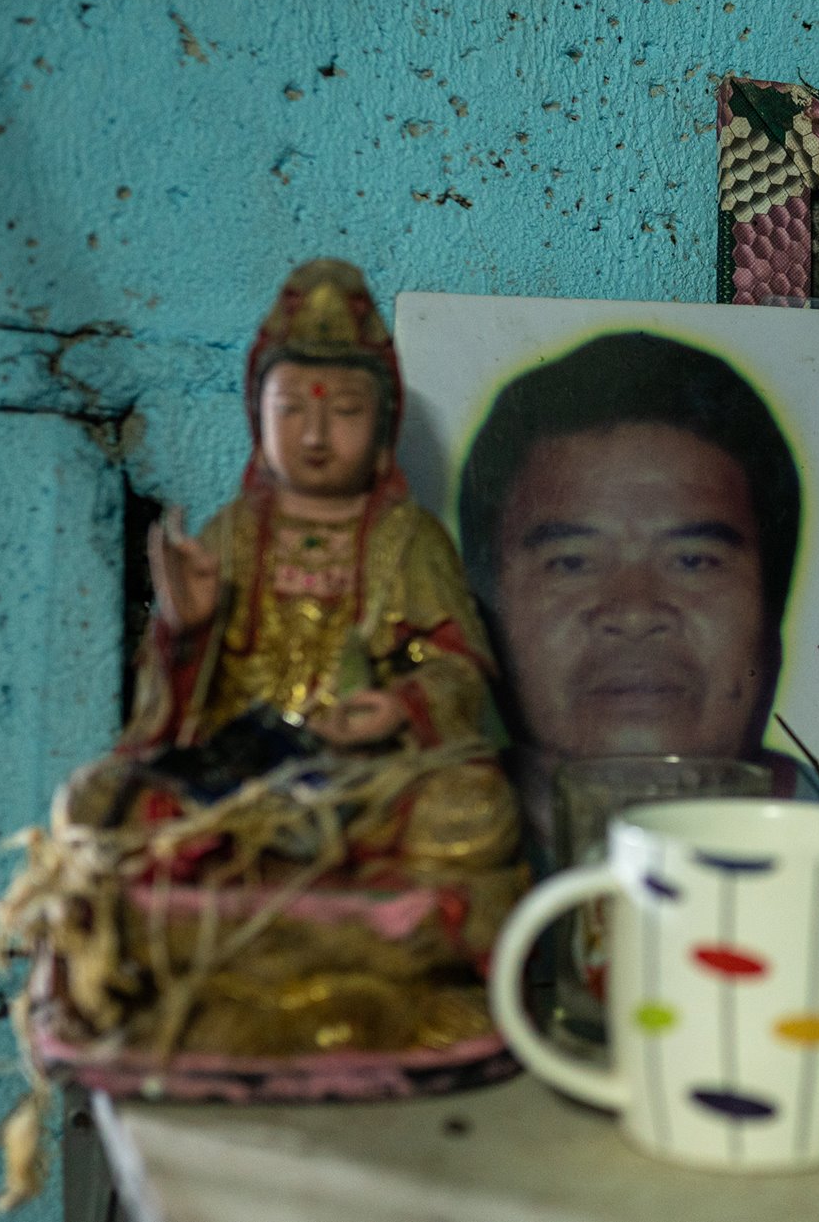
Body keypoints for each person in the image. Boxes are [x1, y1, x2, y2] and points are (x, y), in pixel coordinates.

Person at [53, 259, 520, 876]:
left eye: (346, 411)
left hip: (364, 774)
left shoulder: (409, 539)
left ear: (384, 426)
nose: (316, 435)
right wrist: (186, 631)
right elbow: (168, 715)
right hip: (238, 769)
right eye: (292, 410)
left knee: (474, 811)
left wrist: (402, 707)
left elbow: (461, 671)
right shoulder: (232, 533)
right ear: (258, 418)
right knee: (93, 802)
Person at [457, 332, 819, 859]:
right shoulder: (379, 863)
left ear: (772, 611)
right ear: (484, 610)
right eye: (571, 563)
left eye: (693, 562)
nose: (635, 611)